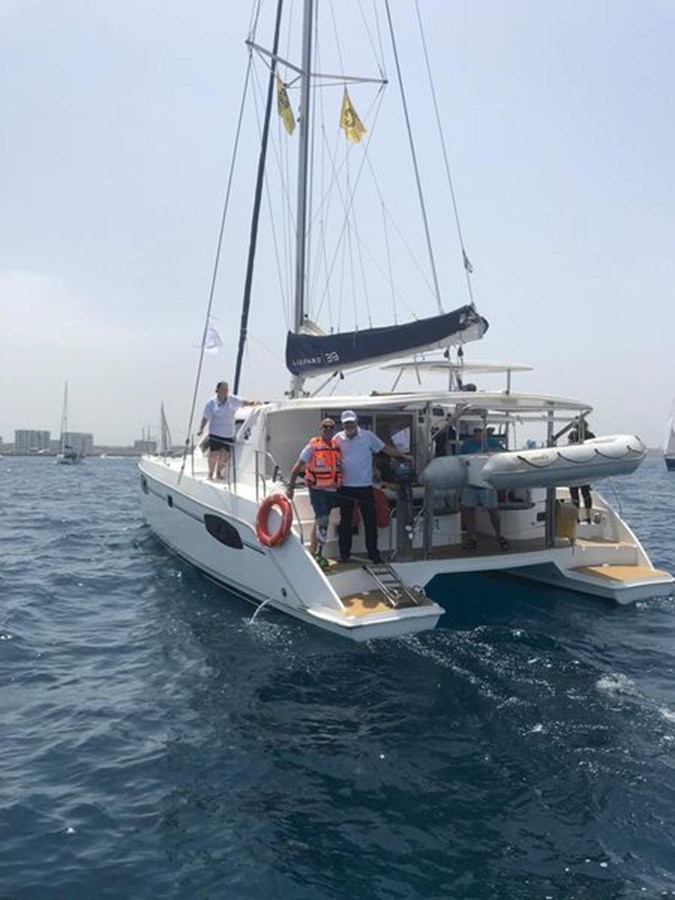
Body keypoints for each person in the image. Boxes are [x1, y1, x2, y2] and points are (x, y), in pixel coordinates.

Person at [333, 409, 408, 564]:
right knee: (345, 522)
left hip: (365, 486)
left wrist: (403, 456)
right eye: (346, 423)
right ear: (343, 424)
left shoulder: (368, 436)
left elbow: (385, 448)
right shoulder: (337, 439)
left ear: (356, 422)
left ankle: (374, 554)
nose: (349, 426)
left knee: (370, 522)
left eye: (351, 422)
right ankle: (344, 554)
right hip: (345, 487)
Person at [286, 418, 341, 552]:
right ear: (321, 429)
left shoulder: (336, 446)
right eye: (325, 427)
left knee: (319, 520)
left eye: (331, 427)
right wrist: (290, 487)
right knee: (323, 520)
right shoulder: (312, 446)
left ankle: (312, 549)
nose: (328, 429)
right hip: (317, 490)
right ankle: (319, 553)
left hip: (332, 490)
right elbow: (298, 465)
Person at [459, 425, 509, 552]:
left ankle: (499, 535)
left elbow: (505, 457)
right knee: (467, 509)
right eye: (475, 431)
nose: (477, 434)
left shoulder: (494, 443)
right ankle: (472, 538)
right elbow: (460, 461)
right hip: (470, 483)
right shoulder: (466, 445)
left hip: (487, 483)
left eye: (480, 431)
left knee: (493, 510)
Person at [197, 381, 258, 480]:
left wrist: (252, 403)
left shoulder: (232, 400)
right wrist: (201, 428)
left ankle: (218, 473)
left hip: (228, 434)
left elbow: (243, 402)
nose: (225, 391)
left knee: (224, 455)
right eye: (223, 389)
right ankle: (210, 473)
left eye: (227, 389)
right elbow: (205, 417)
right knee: (214, 454)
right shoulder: (211, 402)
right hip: (215, 433)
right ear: (217, 390)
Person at [568, 422, 596, 522]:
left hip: (574, 467)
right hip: (585, 467)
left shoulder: (572, 435)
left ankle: (577, 517)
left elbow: (568, 449)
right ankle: (588, 516)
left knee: (574, 493)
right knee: (586, 492)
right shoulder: (590, 435)